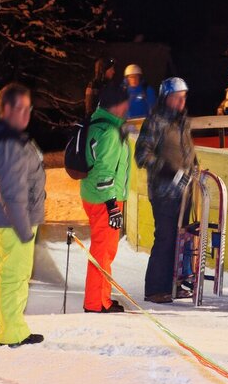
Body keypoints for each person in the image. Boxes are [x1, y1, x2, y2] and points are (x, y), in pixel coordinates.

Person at [0, 83, 46, 348]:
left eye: (29, 108)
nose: (26, 114)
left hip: (2, 221)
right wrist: (24, 228)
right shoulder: (8, 143)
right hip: (14, 220)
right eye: (20, 108)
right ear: (5, 109)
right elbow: (12, 192)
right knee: (14, 275)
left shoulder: (0, 137)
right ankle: (13, 331)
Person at [135, 77, 198, 304]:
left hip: (185, 191)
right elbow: (143, 155)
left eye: (184, 97)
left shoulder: (182, 122)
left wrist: (195, 167)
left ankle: (174, 284)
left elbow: (187, 150)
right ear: (166, 98)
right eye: (177, 97)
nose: (182, 102)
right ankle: (154, 289)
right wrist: (171, 174)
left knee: (181, 240)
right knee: (165, 238)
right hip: (164, 193)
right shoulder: (155, 121)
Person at [80, 82, 131, 313]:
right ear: (117, 105)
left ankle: (101, 298)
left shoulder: (96, 122)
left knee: (102, 249)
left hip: (92, 195)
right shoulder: (110, 132)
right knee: (103, 251)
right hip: (104, 200)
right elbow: (104, 172)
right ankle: (97, 303)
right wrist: (112, 205)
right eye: (125, 102)